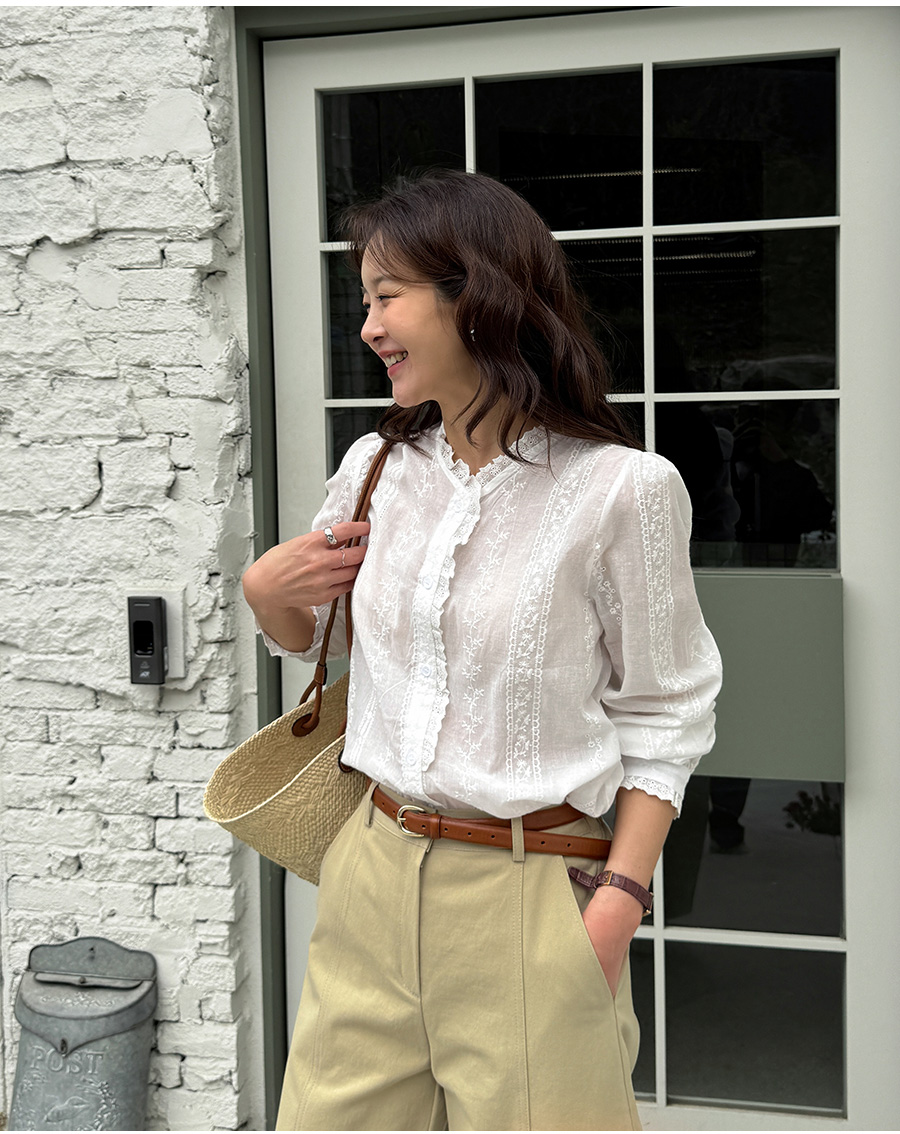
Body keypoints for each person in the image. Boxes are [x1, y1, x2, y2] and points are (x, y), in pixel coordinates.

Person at [242, 169, 722, 1132]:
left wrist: (619, 902)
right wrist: (268, 595)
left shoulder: (621, 489)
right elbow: (321, 646)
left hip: (532, 885)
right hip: (372, 869)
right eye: (364, 301)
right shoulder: (375, 468)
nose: (369, 327)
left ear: (478, 295)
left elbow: (667, 712)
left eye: (387, 297)